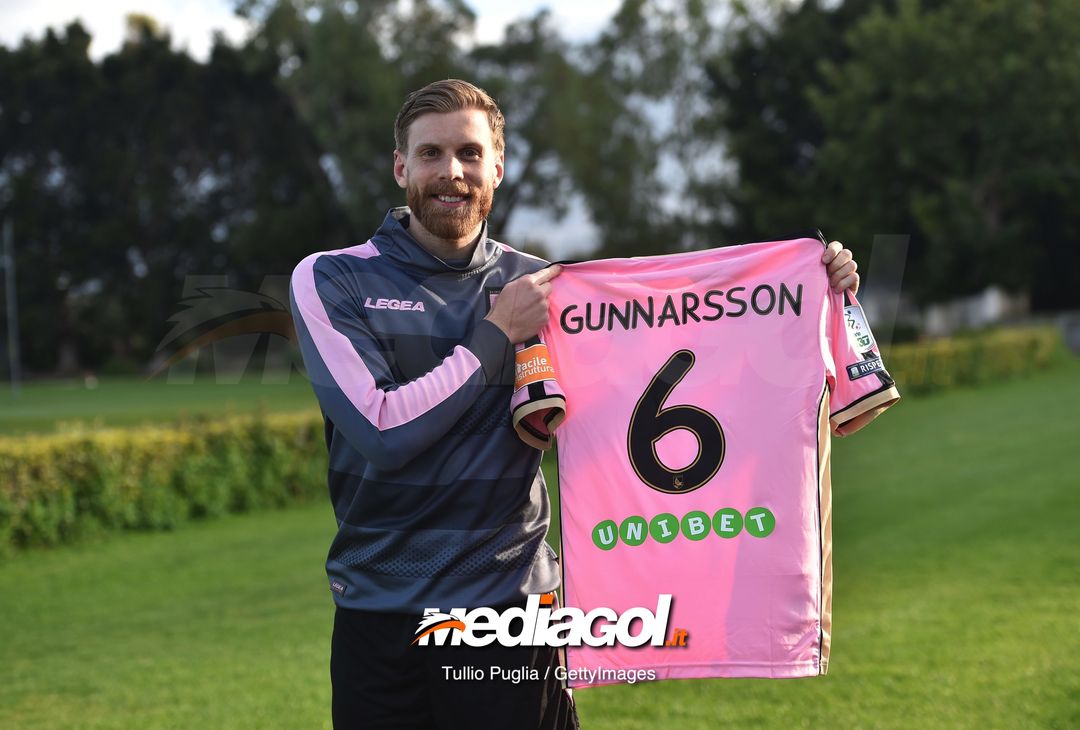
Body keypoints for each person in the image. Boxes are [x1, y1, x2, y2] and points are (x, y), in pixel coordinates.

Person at [289, 78, 861, 730]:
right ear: (400, 167)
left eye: (470, 153)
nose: (451, 172)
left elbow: (680, 356)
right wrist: (495, 335)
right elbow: (382, 433)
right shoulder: (332, 277)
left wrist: (808, 291)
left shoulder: (546, 288)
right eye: (431, 154)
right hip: (380, 612)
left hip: (508, 609)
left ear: (497, 168)